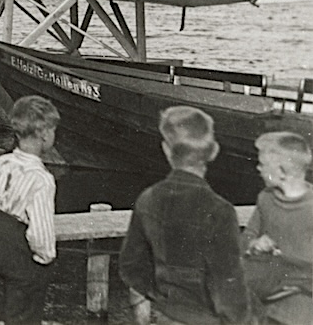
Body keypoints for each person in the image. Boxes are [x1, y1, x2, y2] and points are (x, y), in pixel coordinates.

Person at [119, 106, 250, 325]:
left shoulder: (147, 199)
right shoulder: (220, 210)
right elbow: (229, 286)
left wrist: (159, 295)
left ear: (166, 150)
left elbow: (131, 266)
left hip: (167, 315)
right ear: (214, 151)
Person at [0, 95, 60, 325]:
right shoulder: (41, 179)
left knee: (0, 311)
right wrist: (46, 257)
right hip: (20, 252)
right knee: (24, 315)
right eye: (53, 131)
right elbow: (40, 232)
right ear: (44, 134)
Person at [242, 131, 313, 323]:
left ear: (281, 172)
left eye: (262, 164)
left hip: (301, 309)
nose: (258, 168)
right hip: (264, 298)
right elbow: (246, 239)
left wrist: (301, 285)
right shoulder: (266, 198)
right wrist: (254, 244)